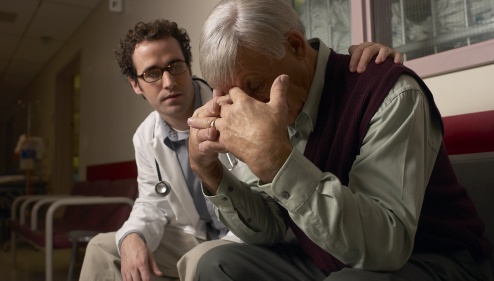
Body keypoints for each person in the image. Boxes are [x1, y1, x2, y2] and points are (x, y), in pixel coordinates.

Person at [185, 0, 494, 280]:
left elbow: (387, 247)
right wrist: (211, 173)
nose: (244, 109)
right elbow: (272, 228)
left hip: (435, 259)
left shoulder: (390, 92)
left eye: (254, 85)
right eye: (226, 94)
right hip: (327, 261)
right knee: (210, 262)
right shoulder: (269, 114)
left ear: (296, 46)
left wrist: (277, 162)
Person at [78, 18, 401, 281]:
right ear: (136, 83)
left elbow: (296, 62)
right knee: (105, 247)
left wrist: (364, 62)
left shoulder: (241, 100)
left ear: (188, 66)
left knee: (203, 260)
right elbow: (151, 202)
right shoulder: (145, 136)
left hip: (244, 235)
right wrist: (133, 235)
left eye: (175, 66)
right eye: (151, 73)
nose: (168, 82)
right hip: (195, 232)